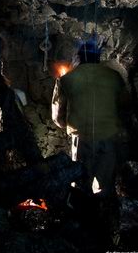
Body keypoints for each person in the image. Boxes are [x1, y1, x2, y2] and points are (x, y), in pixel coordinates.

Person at [52, 37, 130, 241]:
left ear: (79, 58)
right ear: (98, 58)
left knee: (81, 183)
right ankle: (107, 232)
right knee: (105, 185)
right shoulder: (114, 77)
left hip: (82, 137)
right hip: (108, 137)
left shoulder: (68, 78)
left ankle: (81, 230)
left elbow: (57, 115)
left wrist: (67, 126)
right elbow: (125, 107)